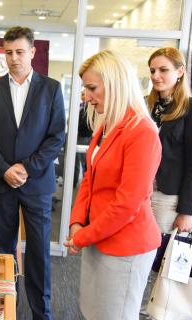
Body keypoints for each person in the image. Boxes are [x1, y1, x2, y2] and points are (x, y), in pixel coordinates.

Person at [65, 50, 162, 320]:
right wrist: (76, 222)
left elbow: (127, 204)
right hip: (98, 236)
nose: (86, 96)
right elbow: (89, 179)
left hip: (125, 246)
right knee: (93, 312)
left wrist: (82, 236)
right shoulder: (107, 124)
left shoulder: (142, 132)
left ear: (115, 83)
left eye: (92, 88)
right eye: (85, 88)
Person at [0, 26, 66, 320]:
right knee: (3, 251)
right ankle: (5, 308)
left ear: (32, 52)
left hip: (36, 184)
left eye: (19, 52)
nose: (13, 58)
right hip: (2, 184)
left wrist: (26, 168)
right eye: (8, 52)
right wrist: (4, 170)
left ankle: (42, 313)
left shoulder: (51, 89)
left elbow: (56, 137)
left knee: (39, 254)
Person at [147, 47, 192, 239]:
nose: (156, 76)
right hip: (140, 193)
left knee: (160, 260)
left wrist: (187, 212)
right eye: (152, 70)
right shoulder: (147, 106)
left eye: (163, 70)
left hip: (169, 198)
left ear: (180, 72)